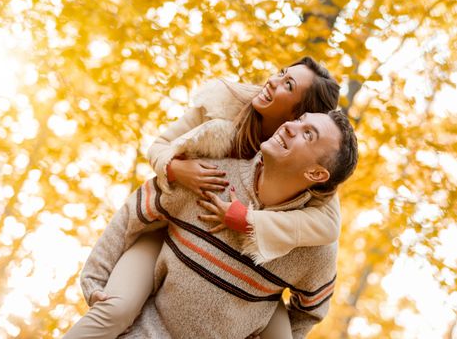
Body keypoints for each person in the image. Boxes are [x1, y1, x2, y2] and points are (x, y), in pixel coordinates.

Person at [64, 57, 341, 338]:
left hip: (255, 270)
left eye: (288, 84)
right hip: (173, 224)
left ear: (305, 116)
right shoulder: (222, 106)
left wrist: (243, 219)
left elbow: (328, 230)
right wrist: (176, 168)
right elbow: (157, 152)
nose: (272, 80)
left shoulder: (314, 181)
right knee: (115, 310)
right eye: (281, 73)